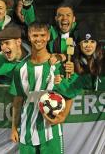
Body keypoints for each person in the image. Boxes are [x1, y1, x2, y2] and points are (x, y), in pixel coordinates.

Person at [10, 22, 75, 154]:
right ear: (29, 36)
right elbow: (17, 100)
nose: (38, 39)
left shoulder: (57, 65)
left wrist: (63, 117)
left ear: (48, 36)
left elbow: (69, 94)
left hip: (50, 131)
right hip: (26, 131)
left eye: (42, 35)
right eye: (35, 35)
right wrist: (13, 127)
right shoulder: (20, 68)